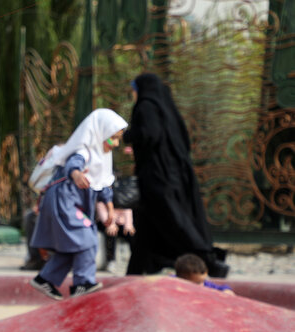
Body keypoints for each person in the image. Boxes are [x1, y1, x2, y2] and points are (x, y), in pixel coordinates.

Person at [124, 73, 229, 278]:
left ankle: (209, 261)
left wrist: (127, 135)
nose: (134, 94)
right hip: (172, 176)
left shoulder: (146, 107)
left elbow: (149, 134)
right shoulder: (166, 109)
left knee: (175, 222)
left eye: (134, 89)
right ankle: (134, 272)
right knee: (147, 225)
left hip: (157, 178)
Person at [30, 108, 128, 299]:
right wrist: (75, 174)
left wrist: (109, 212)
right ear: (100, 132)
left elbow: (104, 186)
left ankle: (46, 279)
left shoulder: (103, 157)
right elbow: (72, 165)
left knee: (74, 245)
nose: (115, 143)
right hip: (63, 203)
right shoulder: (84, 151)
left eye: (118, 139)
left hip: (71, 206)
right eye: (112, 138)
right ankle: (82, 283)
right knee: (88, 239)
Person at [95, 200, 135, 273]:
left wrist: (128, 225)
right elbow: (101, 210)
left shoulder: (121, 191)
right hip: (105, 221)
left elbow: (127, 207)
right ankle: (111, 260)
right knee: (111, 233)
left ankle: (134, 258)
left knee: (131, 233)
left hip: (121, 221)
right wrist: (110, 225)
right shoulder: (103, 192)